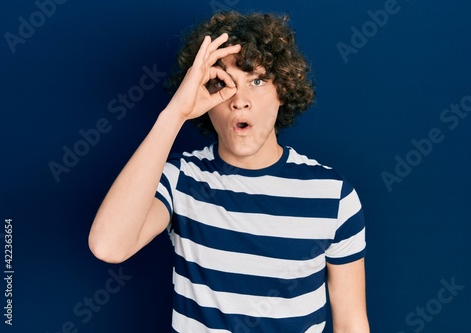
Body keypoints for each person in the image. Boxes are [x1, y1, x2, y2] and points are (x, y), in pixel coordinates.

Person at [89, 11, 369, 332]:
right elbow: (109, 246)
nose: (240, 100)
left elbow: (351, 322)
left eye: (258, 81)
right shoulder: (181, 179)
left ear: (283, 91)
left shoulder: (333, 195)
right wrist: (174, 115)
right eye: (223, 83)